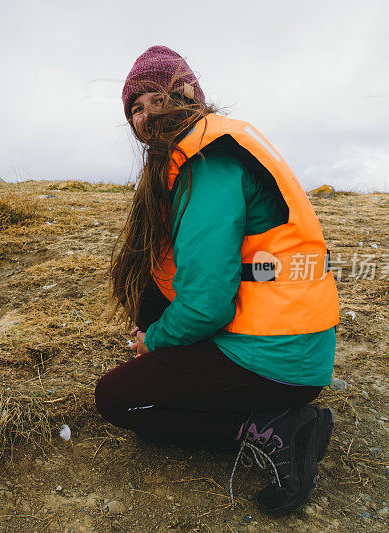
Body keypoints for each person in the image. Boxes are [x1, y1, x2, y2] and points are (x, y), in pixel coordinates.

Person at [95, 45, 340, 516]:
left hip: (276, 360)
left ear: (187, 93)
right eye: (135, 110)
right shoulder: (214, 145)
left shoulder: (207, 161)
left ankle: (274, 427)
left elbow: (208, 305)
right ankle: (197, 375)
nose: (146, 116)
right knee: (148, 276)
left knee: (118, 401)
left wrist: (155, 341)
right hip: (290, 340)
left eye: (155, 98)